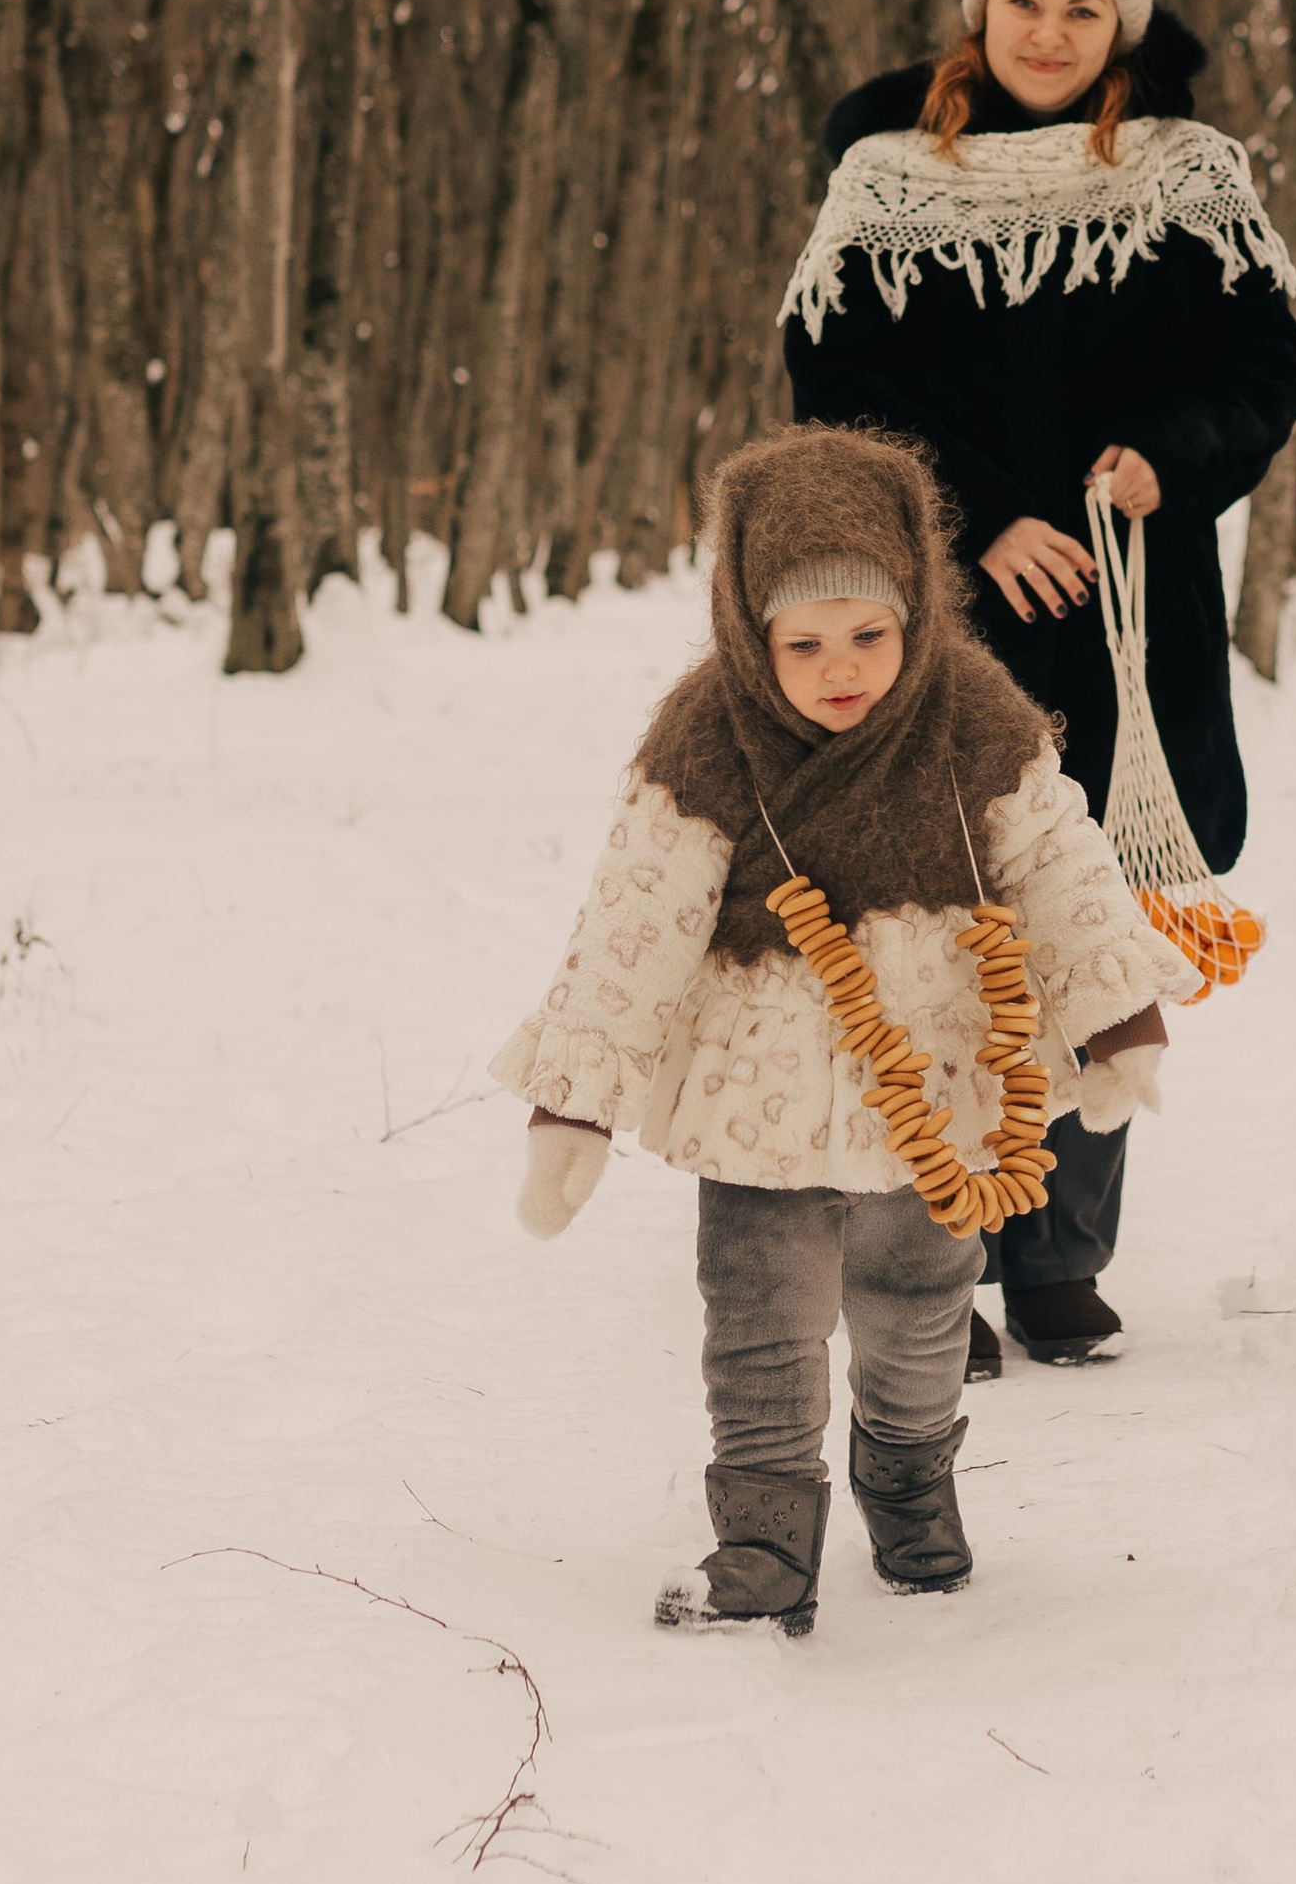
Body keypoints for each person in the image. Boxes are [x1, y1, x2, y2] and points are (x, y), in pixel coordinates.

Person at [492, 425, 1196, 1637]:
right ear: (748, 630)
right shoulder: (706, 737)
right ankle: (763, 1538)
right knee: (756, 1326)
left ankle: (908, 1472)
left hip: (935, 1088)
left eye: (871, 635)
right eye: (803, 643)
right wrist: (574, 1099)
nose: (841, 670)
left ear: (919, 612)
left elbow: (1056, 860)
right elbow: (635, 917)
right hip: (753, 1104)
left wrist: (1114, 1015)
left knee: (922, 1319)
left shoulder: (974, 717)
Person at [782, 0, 1296, 1373]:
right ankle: (937, 1255)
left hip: (1124, 614)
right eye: (1027, 1)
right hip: (934, 606)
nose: (1052, 33)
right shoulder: (886, 179)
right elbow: (836, 379)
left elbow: (1265, 368)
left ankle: (1062, 1257)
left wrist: (1173, 455)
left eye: (1087, 10)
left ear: (1122, 28)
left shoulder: (1187, 177)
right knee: (941, 929)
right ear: (980, 8)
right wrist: (981, 518)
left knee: (1087, 924)